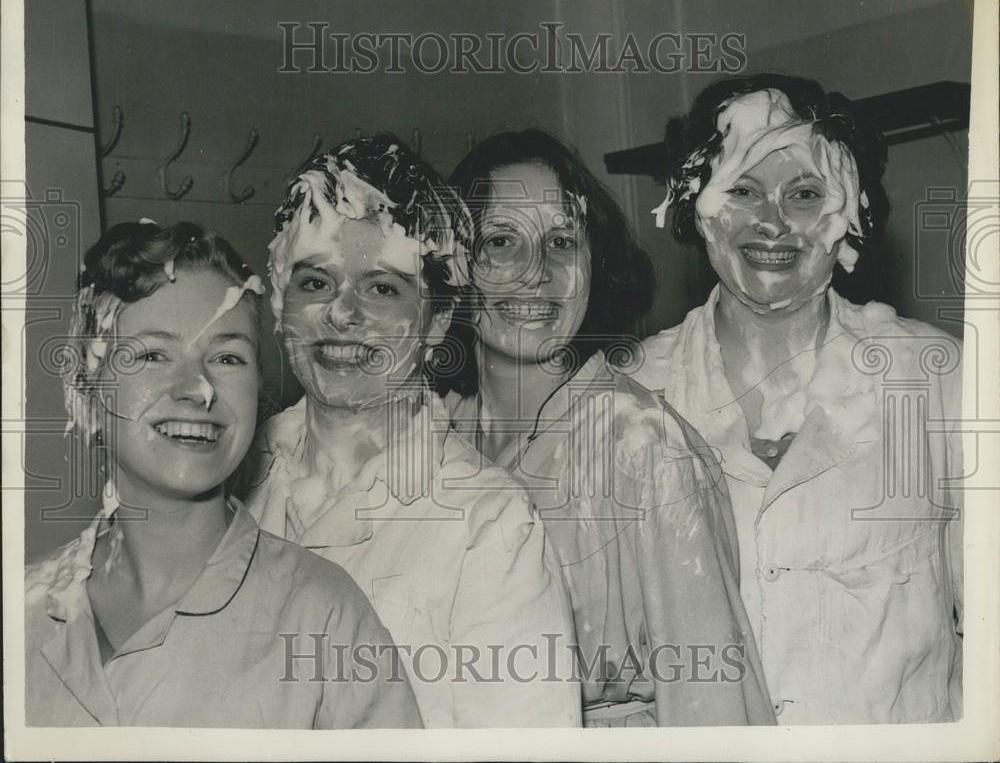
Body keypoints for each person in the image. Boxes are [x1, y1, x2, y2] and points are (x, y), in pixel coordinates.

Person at [636, 74, 963, 724]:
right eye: (743, 190)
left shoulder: (937, 379)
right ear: (695, 203)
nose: (773, 222)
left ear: (851, 213)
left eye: (805, 193)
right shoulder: (630, 396)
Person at [239, 136, 581, 728]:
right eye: (315, 283)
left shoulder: (488, 525)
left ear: (436, 318)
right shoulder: (225, 474)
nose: (342, 315)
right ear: (278, 299)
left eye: (382, 288)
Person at [25, 220, 421, 728]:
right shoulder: (21, 608)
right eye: (152, 354)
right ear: (86, 384)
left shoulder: (326, 617)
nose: (199, 388)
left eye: (228, 357)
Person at [442, 129, 774, 726]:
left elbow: (715, 707)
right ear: (453, 267)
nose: (536, 272)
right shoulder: (439, 440)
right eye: (500, 242)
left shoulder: (643, 447)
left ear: (593, 261)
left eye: (562, 242)